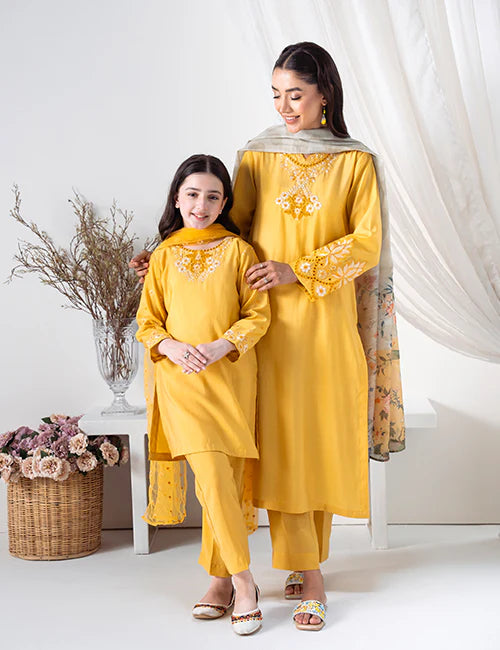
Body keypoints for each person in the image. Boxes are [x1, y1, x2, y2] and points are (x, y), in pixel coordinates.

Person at [131, 42, 405, 632]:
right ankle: (222, 572)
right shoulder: (256, 154)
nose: (284, 106)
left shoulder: (355, 161)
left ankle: (309, 571)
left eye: (295, 94)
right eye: (276, 94)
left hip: (319, 325)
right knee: (227, 449)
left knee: (298, 441)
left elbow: (366, 243)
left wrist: (296, 270)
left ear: (324, 93)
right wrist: (166, 254)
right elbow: (225, 224)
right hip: (245, 326)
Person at [135, 154, 270, 636]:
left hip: (230, 378)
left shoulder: (240, 252)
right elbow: (148, 322)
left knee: (225, 484)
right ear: (176, 198)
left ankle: (219, 583)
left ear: (224, 203)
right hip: (181, 382)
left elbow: (258, 315)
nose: (201, 204)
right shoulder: (163, 256)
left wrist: (220, 346)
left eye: (213, 196)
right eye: (192, 194)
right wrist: (172, 348)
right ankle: (245, 583)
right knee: (211, 476)